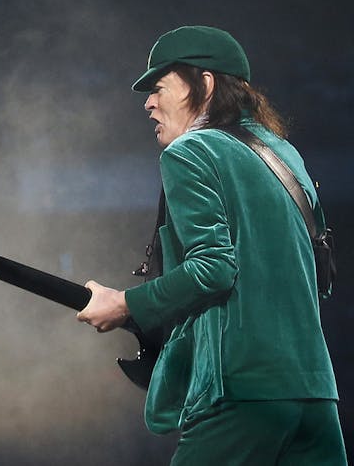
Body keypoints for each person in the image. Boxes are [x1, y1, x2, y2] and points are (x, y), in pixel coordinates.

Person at [77, 25, 344, 464]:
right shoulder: (286, 155)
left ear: (203, 83)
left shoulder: (190, 152)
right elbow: (321, 277)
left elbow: (213, 269)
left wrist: (126, 303)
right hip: (316, 396)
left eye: (159, 87)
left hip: (239, 391)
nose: (147, 103)